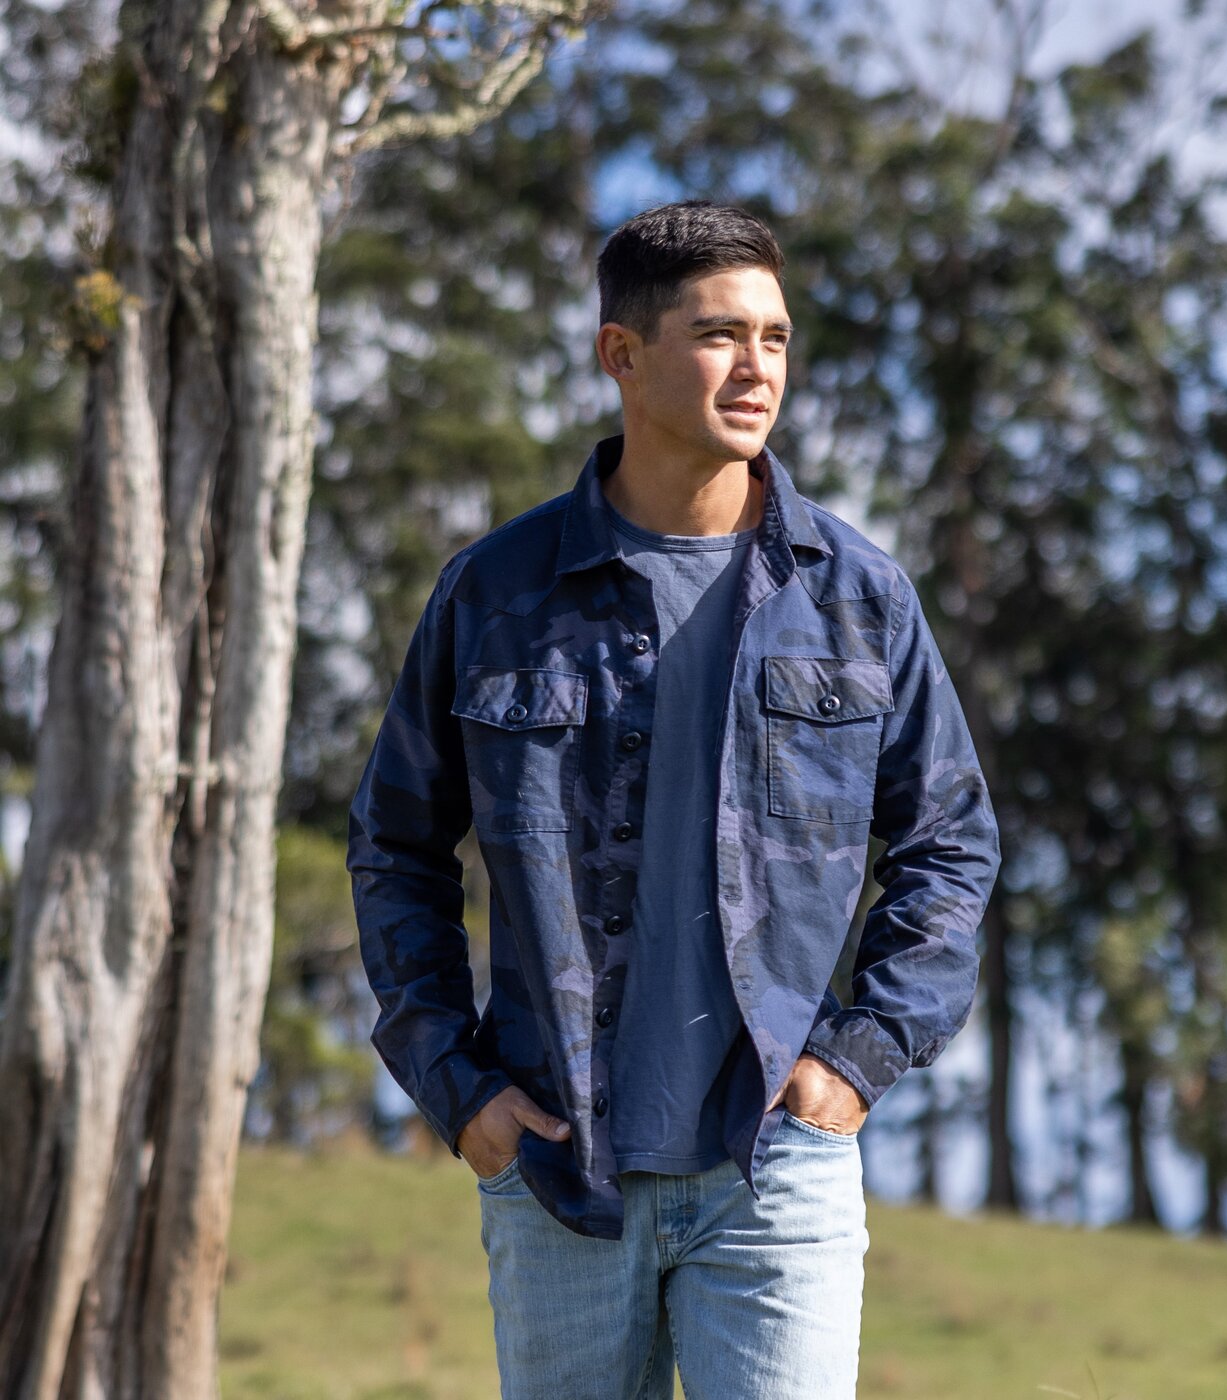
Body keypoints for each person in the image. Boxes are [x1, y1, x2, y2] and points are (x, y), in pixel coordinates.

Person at [347, 199, 1001, 1400]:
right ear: (621, 355)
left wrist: (851, 1064)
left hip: (777, 1167)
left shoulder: (859, 595)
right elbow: (394, 844)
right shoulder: (495, 592)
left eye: (775, 337)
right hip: (555, 1167)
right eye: (718, 335)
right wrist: (459, 1084)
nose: (757, 367)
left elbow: (948, 844)